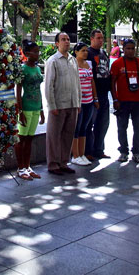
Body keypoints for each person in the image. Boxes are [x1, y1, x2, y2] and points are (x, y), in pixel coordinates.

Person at [45, 32, 81, 175]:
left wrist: (78, 102)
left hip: (72, 104)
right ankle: (53, 164)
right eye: (63, 40)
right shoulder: (52, 61)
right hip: (58, 105)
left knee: (68, 135)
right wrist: (52, 106)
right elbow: (49, 85)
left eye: (68, 39)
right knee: (54, 136)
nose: (66, 42)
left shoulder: (73, 60)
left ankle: (64, 162)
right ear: (57, 43)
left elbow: (77, 83)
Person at [111, 38, 139, 163]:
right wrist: (115, 99)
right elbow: (112, 83)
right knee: (122, 127)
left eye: (132, 48)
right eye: (128, 48)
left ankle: (137, 152)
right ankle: (123, 151)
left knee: (138, 128)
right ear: (123, 50)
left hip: (138, 101)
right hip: (122, 101)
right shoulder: (117, 64)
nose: (130, 51)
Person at [14, 40, 45, 180]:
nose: (38, 54)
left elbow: (39, 90)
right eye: (35, 52)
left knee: (30, 139)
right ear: (27, 53)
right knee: (21, 139)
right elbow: (18, 90)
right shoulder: (22, 69)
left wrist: (42, 109)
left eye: (38, 51)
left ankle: (27, 166)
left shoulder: (38, 69)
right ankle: (20, 168)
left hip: (36, 107)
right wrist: (20, 111)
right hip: (26, 107)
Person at [71, 42, 99, 166]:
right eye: (82, 50)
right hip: (79, 102)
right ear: (76, 52)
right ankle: (75, 155)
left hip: (89, 101)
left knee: (85, 127)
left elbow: (92, 81)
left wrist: (95, 98)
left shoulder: (89, 64)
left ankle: (82, 154)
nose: (85, 53)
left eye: (86, 50)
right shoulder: (73, 65)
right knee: (77, 128)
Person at [86, 29, 111, 160]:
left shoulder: (104, 53)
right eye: (98, 38)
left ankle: (99, 149)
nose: (101, 40)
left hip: (104, 94)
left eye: (102, 38)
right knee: (90, 123)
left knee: (103, 123)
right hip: (92, 95)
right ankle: (88, 151)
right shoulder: (88, 53)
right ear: (92, 39)